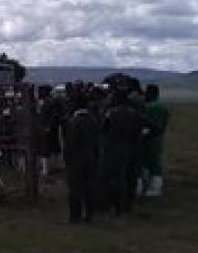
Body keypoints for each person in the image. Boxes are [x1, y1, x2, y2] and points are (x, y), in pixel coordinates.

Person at [100, 86, 146, 215]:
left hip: (111, 149)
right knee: (128, 178)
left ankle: (111, 204)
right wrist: (141, 138)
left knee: (110, 177)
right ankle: (126, 205)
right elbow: (153, 127)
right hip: (129, 149)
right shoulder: (135, 113)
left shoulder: (110, 113)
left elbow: (102, 129)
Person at [63, 86, 99, 223]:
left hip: (76, 159)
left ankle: (75, 216)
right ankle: (90, 214)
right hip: (91, 156)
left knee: (75, 189)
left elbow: (69, 144)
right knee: (90, 187)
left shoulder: (73, 122)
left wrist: (67, 160)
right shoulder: (93, 120)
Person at [143, 84, 169, 196]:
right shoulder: (162, 106)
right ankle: (155, 187)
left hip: (147, 138)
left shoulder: (148, 107)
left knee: (148, 162)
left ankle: (153, 188)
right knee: (155, 162)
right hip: (158, 138)